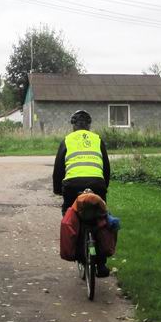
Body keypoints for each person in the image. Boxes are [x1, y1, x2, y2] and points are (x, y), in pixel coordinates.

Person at [53, 109, 111, 277]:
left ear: (74, 125)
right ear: (89, 126)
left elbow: (58, 169)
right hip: (97, 184)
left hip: (72, 185)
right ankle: (101, 264)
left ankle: (74, 249)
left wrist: (58, 189)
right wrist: (103, 186)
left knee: (70, 213)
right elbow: (106, 167)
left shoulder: (67, 140)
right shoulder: (97, 140)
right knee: (101, 217)